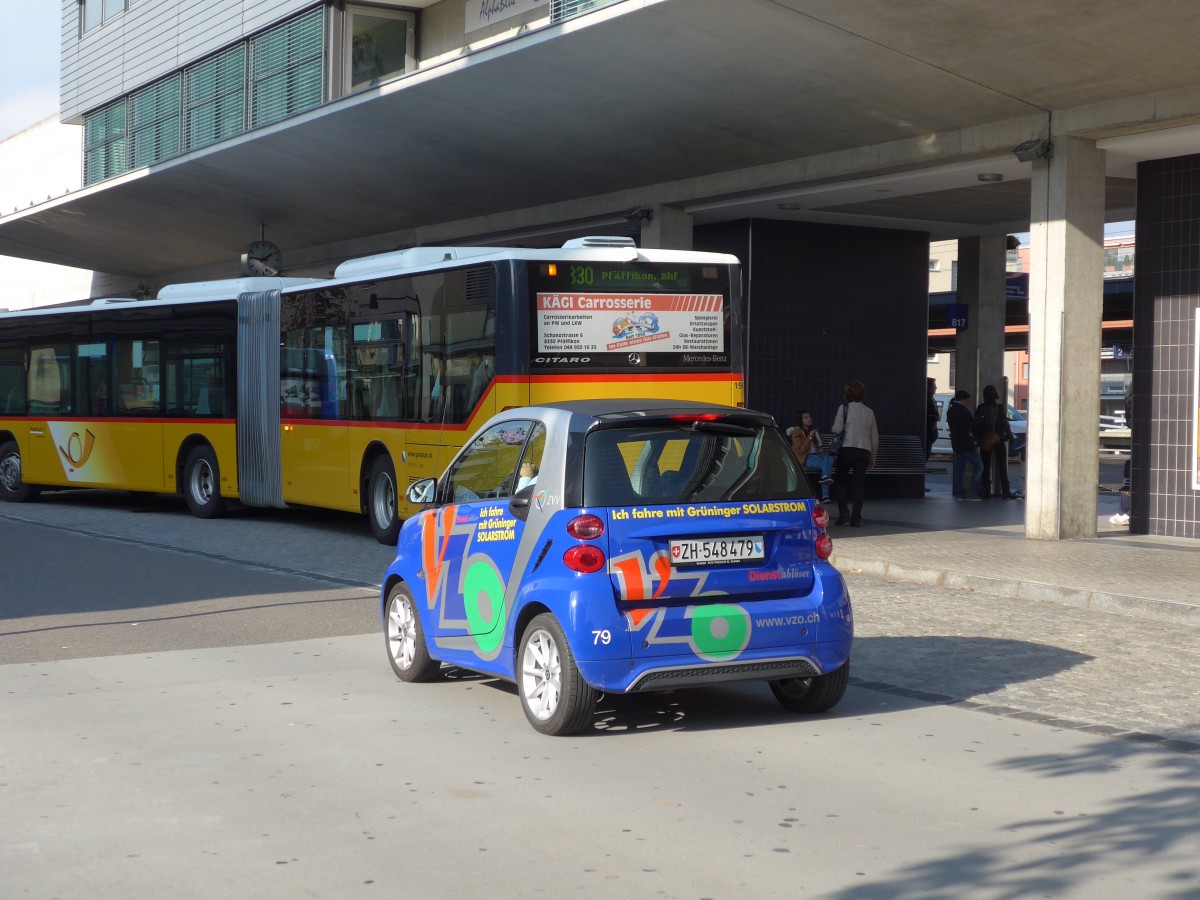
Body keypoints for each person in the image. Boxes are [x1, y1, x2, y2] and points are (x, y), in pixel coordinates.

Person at [830, 381, 878, 527]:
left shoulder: (844, 408)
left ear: (847, 393)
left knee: (840, 482)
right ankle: (856, 517)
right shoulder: (869, 412)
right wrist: (873, 457)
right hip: (864, 451)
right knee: (858, 485)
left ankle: (844, 514)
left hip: (847, 449)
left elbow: (837, 429)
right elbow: (874, 437)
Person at [973, 384, 1016, 499]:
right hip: (998, 439)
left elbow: (974, 425)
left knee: (986, 466)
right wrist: (1011, 437)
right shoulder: (1000, 408)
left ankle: (986, 492)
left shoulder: (981, 408)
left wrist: (978, 439)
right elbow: (1005, 424)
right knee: (1002, 467)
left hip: (986, 440)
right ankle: (1006, 492)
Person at [787, 410, 834, 501]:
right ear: (801, 420)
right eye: (806, 418)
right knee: (825, 463)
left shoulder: (814, 432)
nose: (809, 419)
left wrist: (824, 451)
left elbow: (819, 449)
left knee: (829, 457)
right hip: (806, 457)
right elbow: (800, 451)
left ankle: (825, 478)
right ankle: (825, 495)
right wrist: (810, 437)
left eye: (810, 417)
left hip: (816, 456)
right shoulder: (797, 432)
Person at [947, 388, 983, 500]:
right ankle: (973, 492)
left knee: (960, 469)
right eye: (967, 400)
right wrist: (978, 420)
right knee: (979, 467)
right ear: (963, 399)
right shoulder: (962, 411)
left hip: (957, 444)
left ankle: (960, 493)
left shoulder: (951, 410)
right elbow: (968, 426)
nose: (968, 403)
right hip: (967, 444)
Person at [925, 377, 939, 460]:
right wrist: (932, 432)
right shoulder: (928, 400)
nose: (935, 388)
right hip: (928, 435)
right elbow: (933, 417)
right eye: (934, 386)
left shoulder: (931, 398)